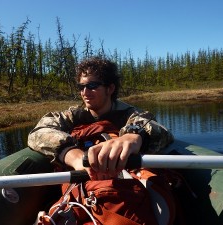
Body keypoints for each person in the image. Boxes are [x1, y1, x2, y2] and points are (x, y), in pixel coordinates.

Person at [28, 56, 174, 180]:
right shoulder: (73, 116)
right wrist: (74, 156)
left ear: (110, 89)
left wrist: (133, 137)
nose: (85, 92)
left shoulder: (130, 114)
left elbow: (158, 129)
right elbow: (39, 132)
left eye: (92, 85)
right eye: (81, 86)